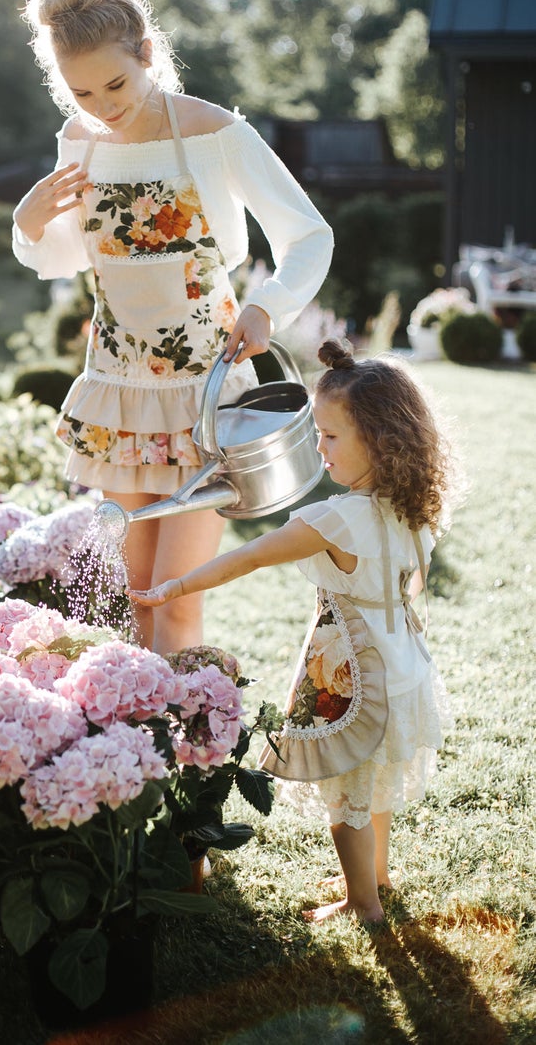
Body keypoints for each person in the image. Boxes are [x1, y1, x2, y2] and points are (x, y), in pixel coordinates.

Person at [12, 0, 333, 654]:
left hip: (204, 397)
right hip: (118, 393)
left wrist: (266, 307)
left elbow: (310, 235)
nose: (104, 107)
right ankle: (143, 756)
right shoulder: (78, 141)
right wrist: (29, 222)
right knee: (130, 603)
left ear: (147, 51)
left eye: (116, 84)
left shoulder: (216, 133)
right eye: (82, 95)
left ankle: (191, 750)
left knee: (176, 602)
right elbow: (70, 255)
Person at [130, 339, 457, 923]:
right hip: (404, 666)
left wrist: (173, 588)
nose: (318, 447)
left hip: (355, 681)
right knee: (372, 783)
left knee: (346, 797)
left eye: (330, 437)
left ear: (379, 442)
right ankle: (376, 875)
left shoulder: (335, 519)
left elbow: (250, 556)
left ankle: (364, 905)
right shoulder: (410, 505)